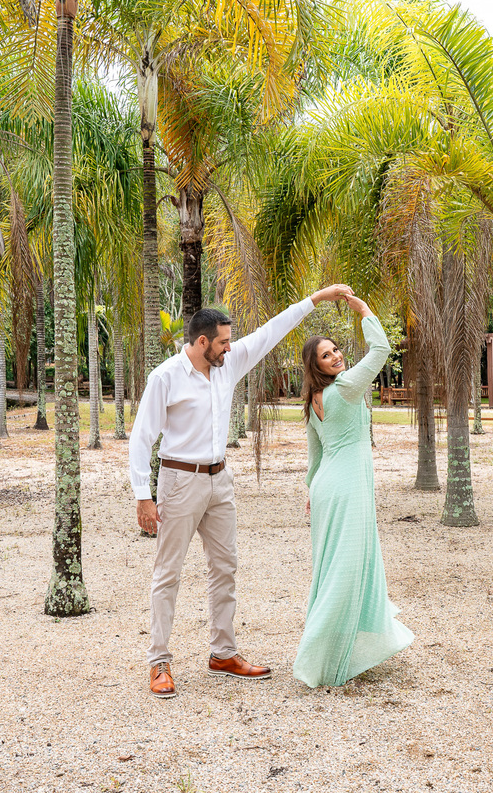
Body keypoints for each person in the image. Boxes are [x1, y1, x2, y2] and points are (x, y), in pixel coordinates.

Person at [130, 284, 354, 699]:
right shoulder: (166, 377)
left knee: (225, 567)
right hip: (179, 481)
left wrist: (317, 299)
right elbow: (141, 438)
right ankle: (159, 661)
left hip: (221, 481)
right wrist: (143, 495)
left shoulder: (227, 365)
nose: (230, 348)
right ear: (202, 342)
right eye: (223, 342)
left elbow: (272, 331)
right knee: (168, 572)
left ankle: (223, 654)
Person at [293, 294, 413, 687]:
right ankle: (318, 655)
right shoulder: (344, 387)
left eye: (336, 350)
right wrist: (364, 311)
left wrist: (311, 491)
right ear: (316, 366)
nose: (336, 357)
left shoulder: (313, 400)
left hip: (328, 487)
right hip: (346, 487)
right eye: (326, 356)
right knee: (344, 568)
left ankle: (338, 648)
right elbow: (380, 350)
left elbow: (315, 456)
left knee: (333, 567)